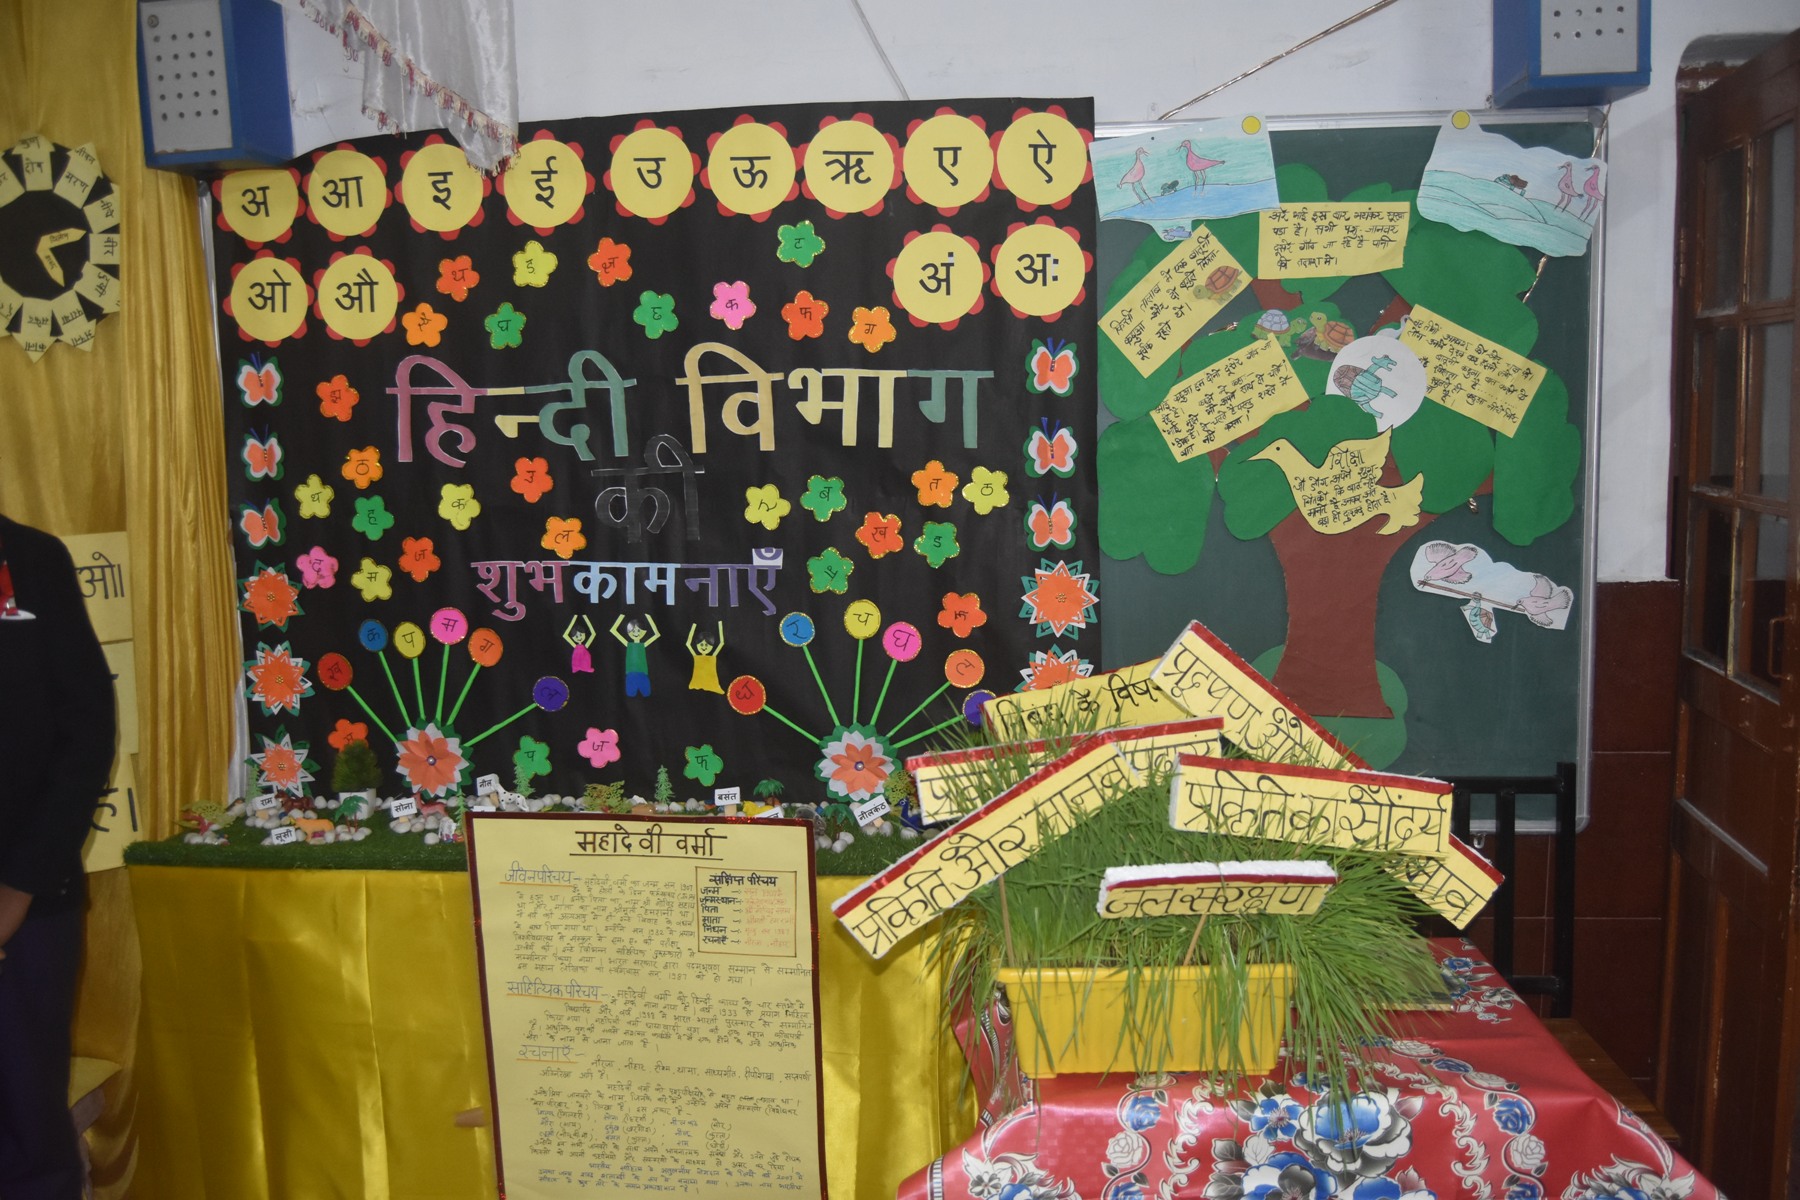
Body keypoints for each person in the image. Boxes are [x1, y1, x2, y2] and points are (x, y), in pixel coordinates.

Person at [0, 514, 118, 1200]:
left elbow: (87, 731)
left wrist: (18, 890)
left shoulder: (32, 559)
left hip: (26, 905)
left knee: (26, 1136)